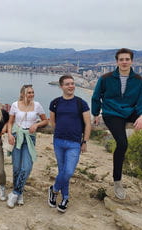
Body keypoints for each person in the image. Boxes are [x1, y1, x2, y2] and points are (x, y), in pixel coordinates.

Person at [91, 48, 142, 200]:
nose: (124, 62)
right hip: (112, 113)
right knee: (122, 144)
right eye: (121, 59)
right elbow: (96, 97)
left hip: (130, 111)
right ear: (117, 61)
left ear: (131, 61)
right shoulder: (106, 78)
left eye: (127, 59)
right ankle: (117, 181)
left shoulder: (138, 80)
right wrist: (96, 113)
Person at [48, 75, 91, 213]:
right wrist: (60, 132)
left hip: (74, 143)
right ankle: (65, 197)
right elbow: (52, 122)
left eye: (72, 83)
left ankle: (54, 190)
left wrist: (84, 141)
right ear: (61, 86)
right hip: (58, 141)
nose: (71, 86)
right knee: (62, 171)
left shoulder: (81, 103)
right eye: (67, 84)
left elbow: (88, 124)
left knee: (68, 172)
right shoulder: (55, 103)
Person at [6, 85, 48, 208]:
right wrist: (9, 134)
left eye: (32, 92)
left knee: (27, 167)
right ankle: (19, 193)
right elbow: (10, 122)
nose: (31, 94)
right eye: (29, 92)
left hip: (30, 138)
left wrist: (37, 125)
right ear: (23, 93)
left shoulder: (37, 105)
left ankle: (15, 193)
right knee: (17, 167)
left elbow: (46, 121)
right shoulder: (15, 105)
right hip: (17, 136)